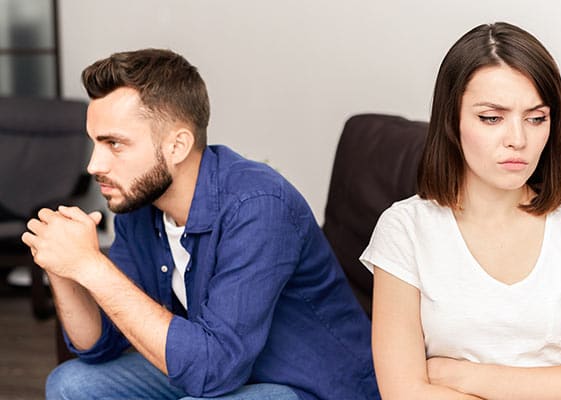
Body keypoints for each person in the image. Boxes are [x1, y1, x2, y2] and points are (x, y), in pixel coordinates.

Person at [22, 49, 380, 400]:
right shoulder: (139, 205)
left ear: (177, 146)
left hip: (308, 385)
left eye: (114, 144)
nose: (94, 165)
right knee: (70, 384)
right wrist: (64, 267)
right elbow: (99, 345)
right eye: (95, 143)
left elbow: (215, 370)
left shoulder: (258, 206)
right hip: (221, 368)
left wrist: (93, 267)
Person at [360, 22, 561, 399]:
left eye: (536, 118)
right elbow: (404, 394)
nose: (518, 140)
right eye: (492, 118)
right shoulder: (404, 229)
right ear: (451, 120)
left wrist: (460, 375)